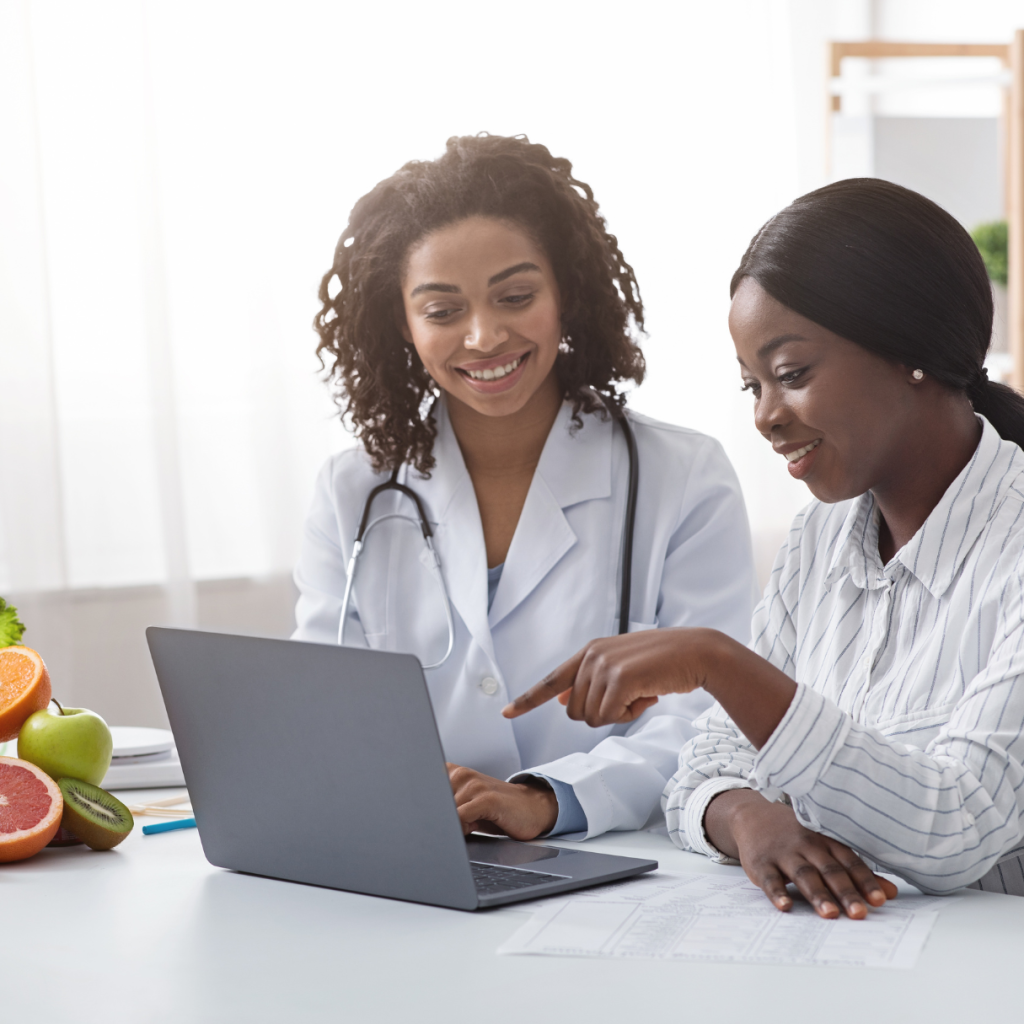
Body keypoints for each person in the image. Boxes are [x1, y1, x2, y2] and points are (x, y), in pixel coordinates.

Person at [506, 177, 1024, 915]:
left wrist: (717, 663)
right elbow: (703, 769)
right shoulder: (821, 538)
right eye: (751, 386)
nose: (766, 417)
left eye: (791, 375)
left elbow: (957, 827)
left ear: (912, 347)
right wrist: (750, 819)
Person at [292, 133, 757, 842]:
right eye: (443, 311)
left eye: (515, 296)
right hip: (417, 852)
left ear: (565, 293)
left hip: (615, 866)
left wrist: (549, 798)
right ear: (403, 323)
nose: (484, 336)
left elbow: (712, 718)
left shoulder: (681, 476)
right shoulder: (352, 490)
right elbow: (324, 706)